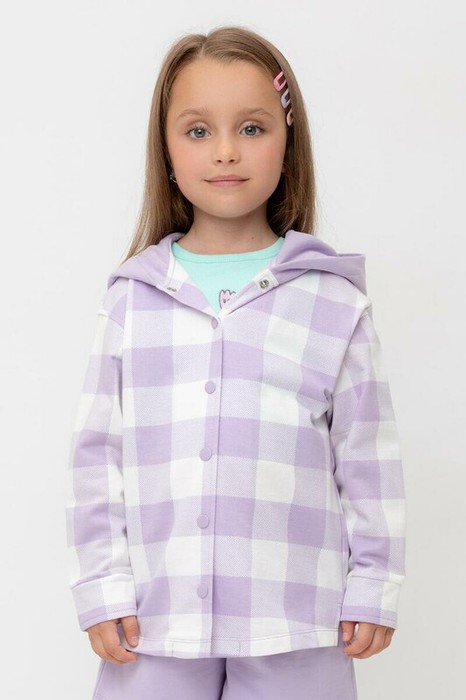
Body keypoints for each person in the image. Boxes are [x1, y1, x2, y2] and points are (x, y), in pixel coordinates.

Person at [65, 24, 407, 700]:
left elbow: (368, 455)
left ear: (287, 142)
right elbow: (96, 457)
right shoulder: (132, 300)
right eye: (198, 131)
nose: (225, 150)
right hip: (156, 622)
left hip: (297, 620)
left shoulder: (333, 301)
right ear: (166, 150)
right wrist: (101, 586)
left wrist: (375, 582)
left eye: (252, 128)